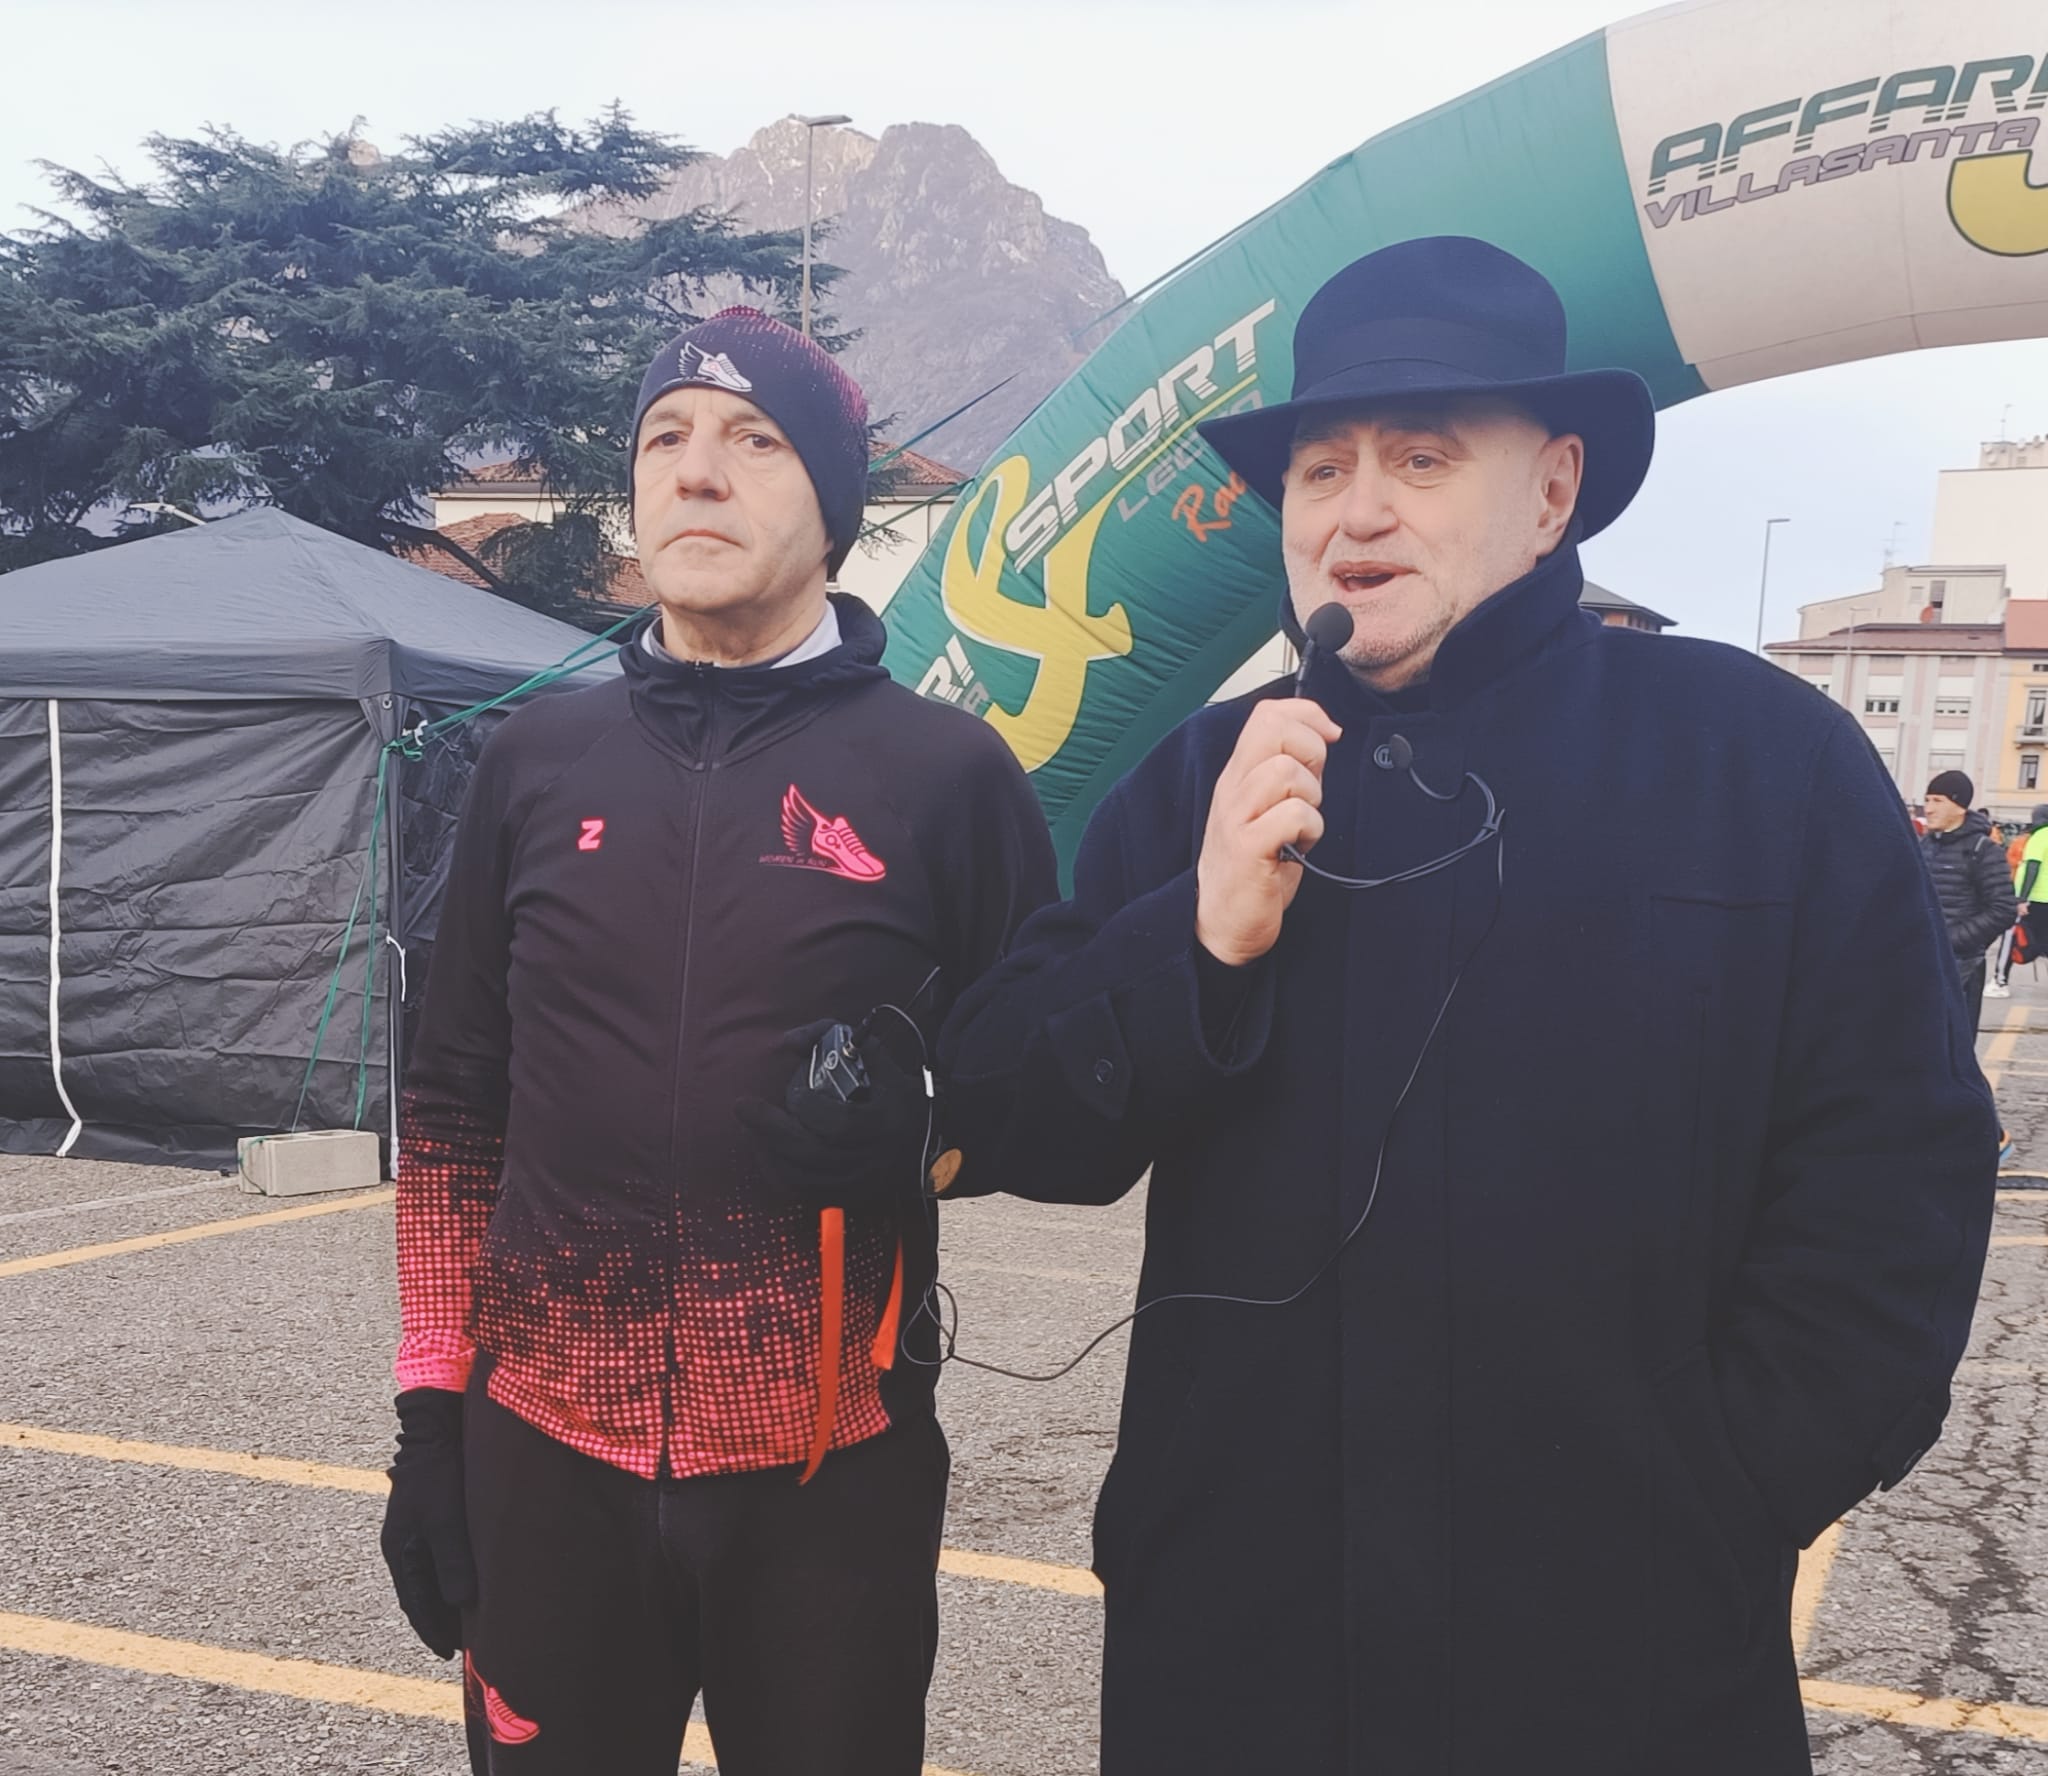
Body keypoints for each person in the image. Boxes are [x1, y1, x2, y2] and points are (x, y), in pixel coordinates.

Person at [940, 237, 1998, 1775]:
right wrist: (1200, 933)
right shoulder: (1204, 779)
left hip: (1622, 1665)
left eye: (1420, 457)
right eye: (1321, 469)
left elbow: (1897, 1174)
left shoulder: (1759, 762)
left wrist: (1733, 1487)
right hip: (1242, 1655)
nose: (1356, 510)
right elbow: (1000, 1110)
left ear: (1553, 491)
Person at [379, 307, 1056, 1775]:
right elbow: (452, 1110)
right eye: (664, 439)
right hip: (543, 1453)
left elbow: (1052, 1088)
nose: (695, 472)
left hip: (830, 1469)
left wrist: (931, 1133)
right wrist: (432, 1418)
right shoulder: (534, 761)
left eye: (754, 440)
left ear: (835, 508)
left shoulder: (947, 774)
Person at [1919, 771, 2016, 1036]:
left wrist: (1952, 940)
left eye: (1938, 800)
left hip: (1961, 967)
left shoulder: (1983, 850)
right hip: (1922, 961)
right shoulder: (1925, 846)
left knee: (1954, 1043)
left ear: (1959, 806)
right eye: (1927, 800)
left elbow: (2003, 909)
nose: (1929, 808)